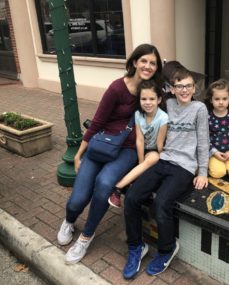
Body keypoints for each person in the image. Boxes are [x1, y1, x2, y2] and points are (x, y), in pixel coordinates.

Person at [56, 44, 163, 264]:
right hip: (103, 145)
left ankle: (86, 237)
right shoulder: (117, 88)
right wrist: (79, 154)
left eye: (153, 63)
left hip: (128, 150)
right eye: (144, 60)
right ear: (134, 62)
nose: (148, 66)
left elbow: (169, 103)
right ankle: (69, 220)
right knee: (77, 200)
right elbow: (97, 122)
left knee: (105, 184)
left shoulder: (153, 91)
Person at [122, 67, 209, 279]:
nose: (184, 90)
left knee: (162, 203)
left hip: (185, 167)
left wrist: (203, 171)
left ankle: (166, 249)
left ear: (194, 88)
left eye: (188, 86)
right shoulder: (167, 104)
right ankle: (136, 247)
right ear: (172, 89)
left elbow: (203, 141)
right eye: (180, 86)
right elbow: (150, 94)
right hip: (163, 159)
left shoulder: (199, 109)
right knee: (132, 197)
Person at [108, 79, 168, 208]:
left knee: (155, 158)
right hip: (139, 148)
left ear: (158, 100)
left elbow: (159, 143)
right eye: (144, 99)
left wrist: (163, 157)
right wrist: (141, 162)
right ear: (139, 100)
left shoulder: (163, 118)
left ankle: (118, 188)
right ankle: (122, 184)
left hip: (153, 149)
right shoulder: (138, 115)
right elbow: (139, 139)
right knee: (137, 162)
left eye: (152, 99)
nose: (147, 103)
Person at [204, 79, 229, 178]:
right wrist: (214, 152)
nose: (221, 102)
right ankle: (211, 164)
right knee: (218, 173)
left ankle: (228, 164)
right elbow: (205, 138)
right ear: (210, 100)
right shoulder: (207, 117)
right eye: (217, 99)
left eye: (224, 99)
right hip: (215, 153)